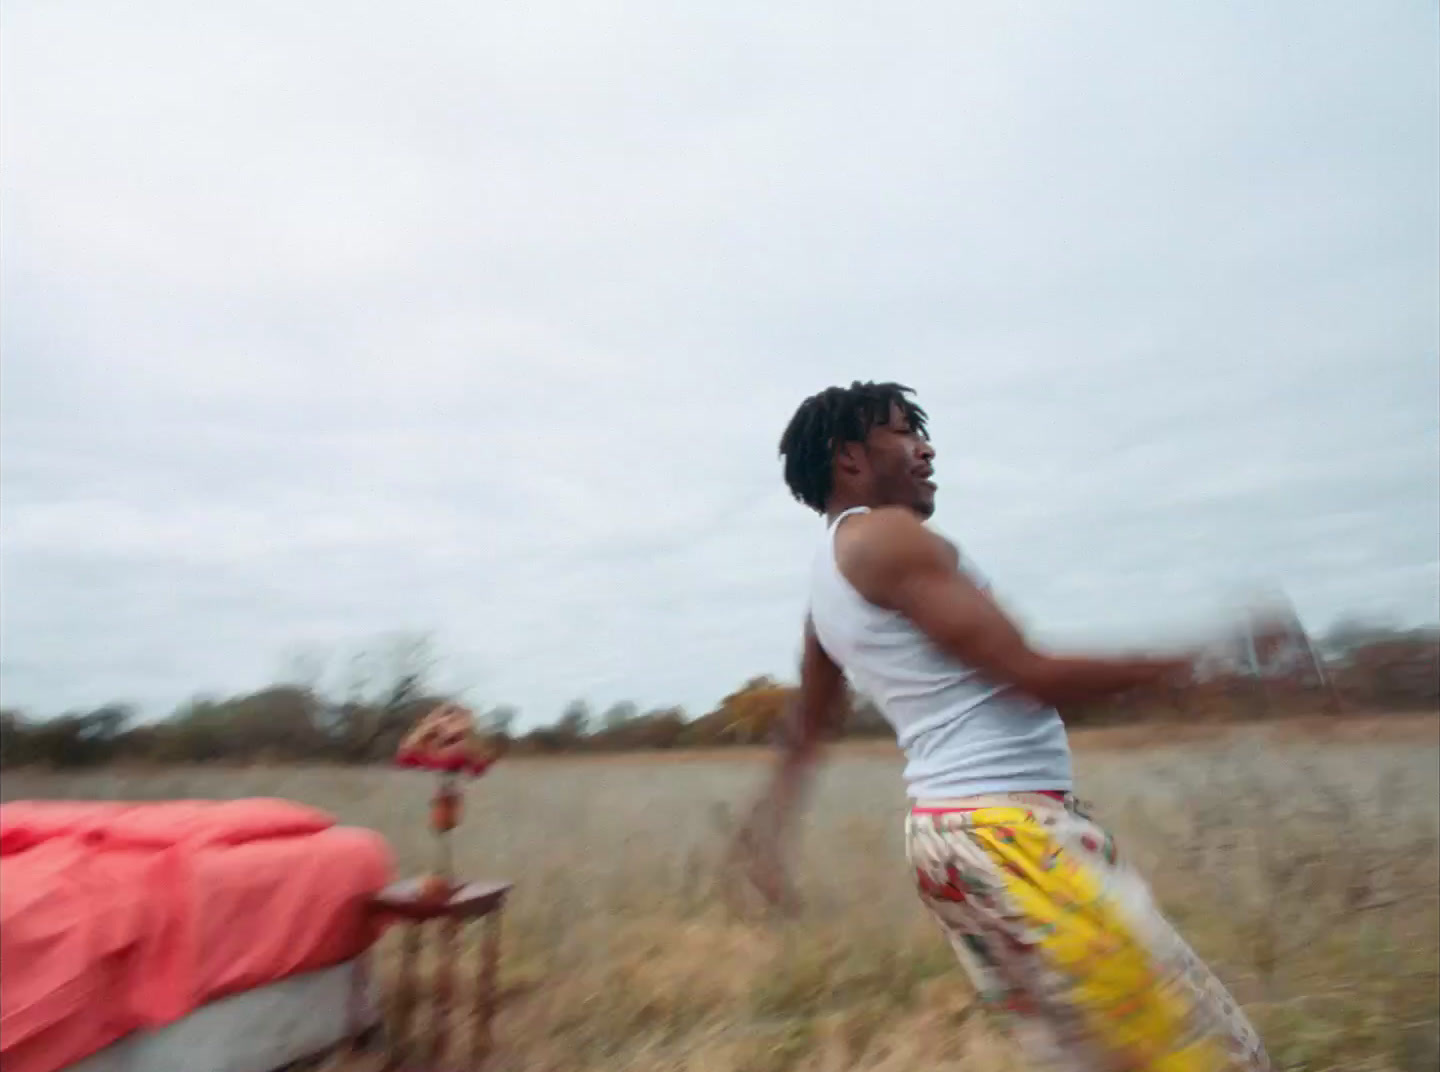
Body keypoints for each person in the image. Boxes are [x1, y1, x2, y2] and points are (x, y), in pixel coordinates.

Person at [733, 381, 1270, 1071]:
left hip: (947, 844)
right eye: (901, 432)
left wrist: (765, 830)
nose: (925, 447)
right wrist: (1210, 656)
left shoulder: (827, 581)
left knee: (1102, 1058)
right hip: (1008, 839)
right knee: (1206, 1055)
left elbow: (810, 721)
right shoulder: (886, 537)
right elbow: (1030, 675)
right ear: (849, 459)